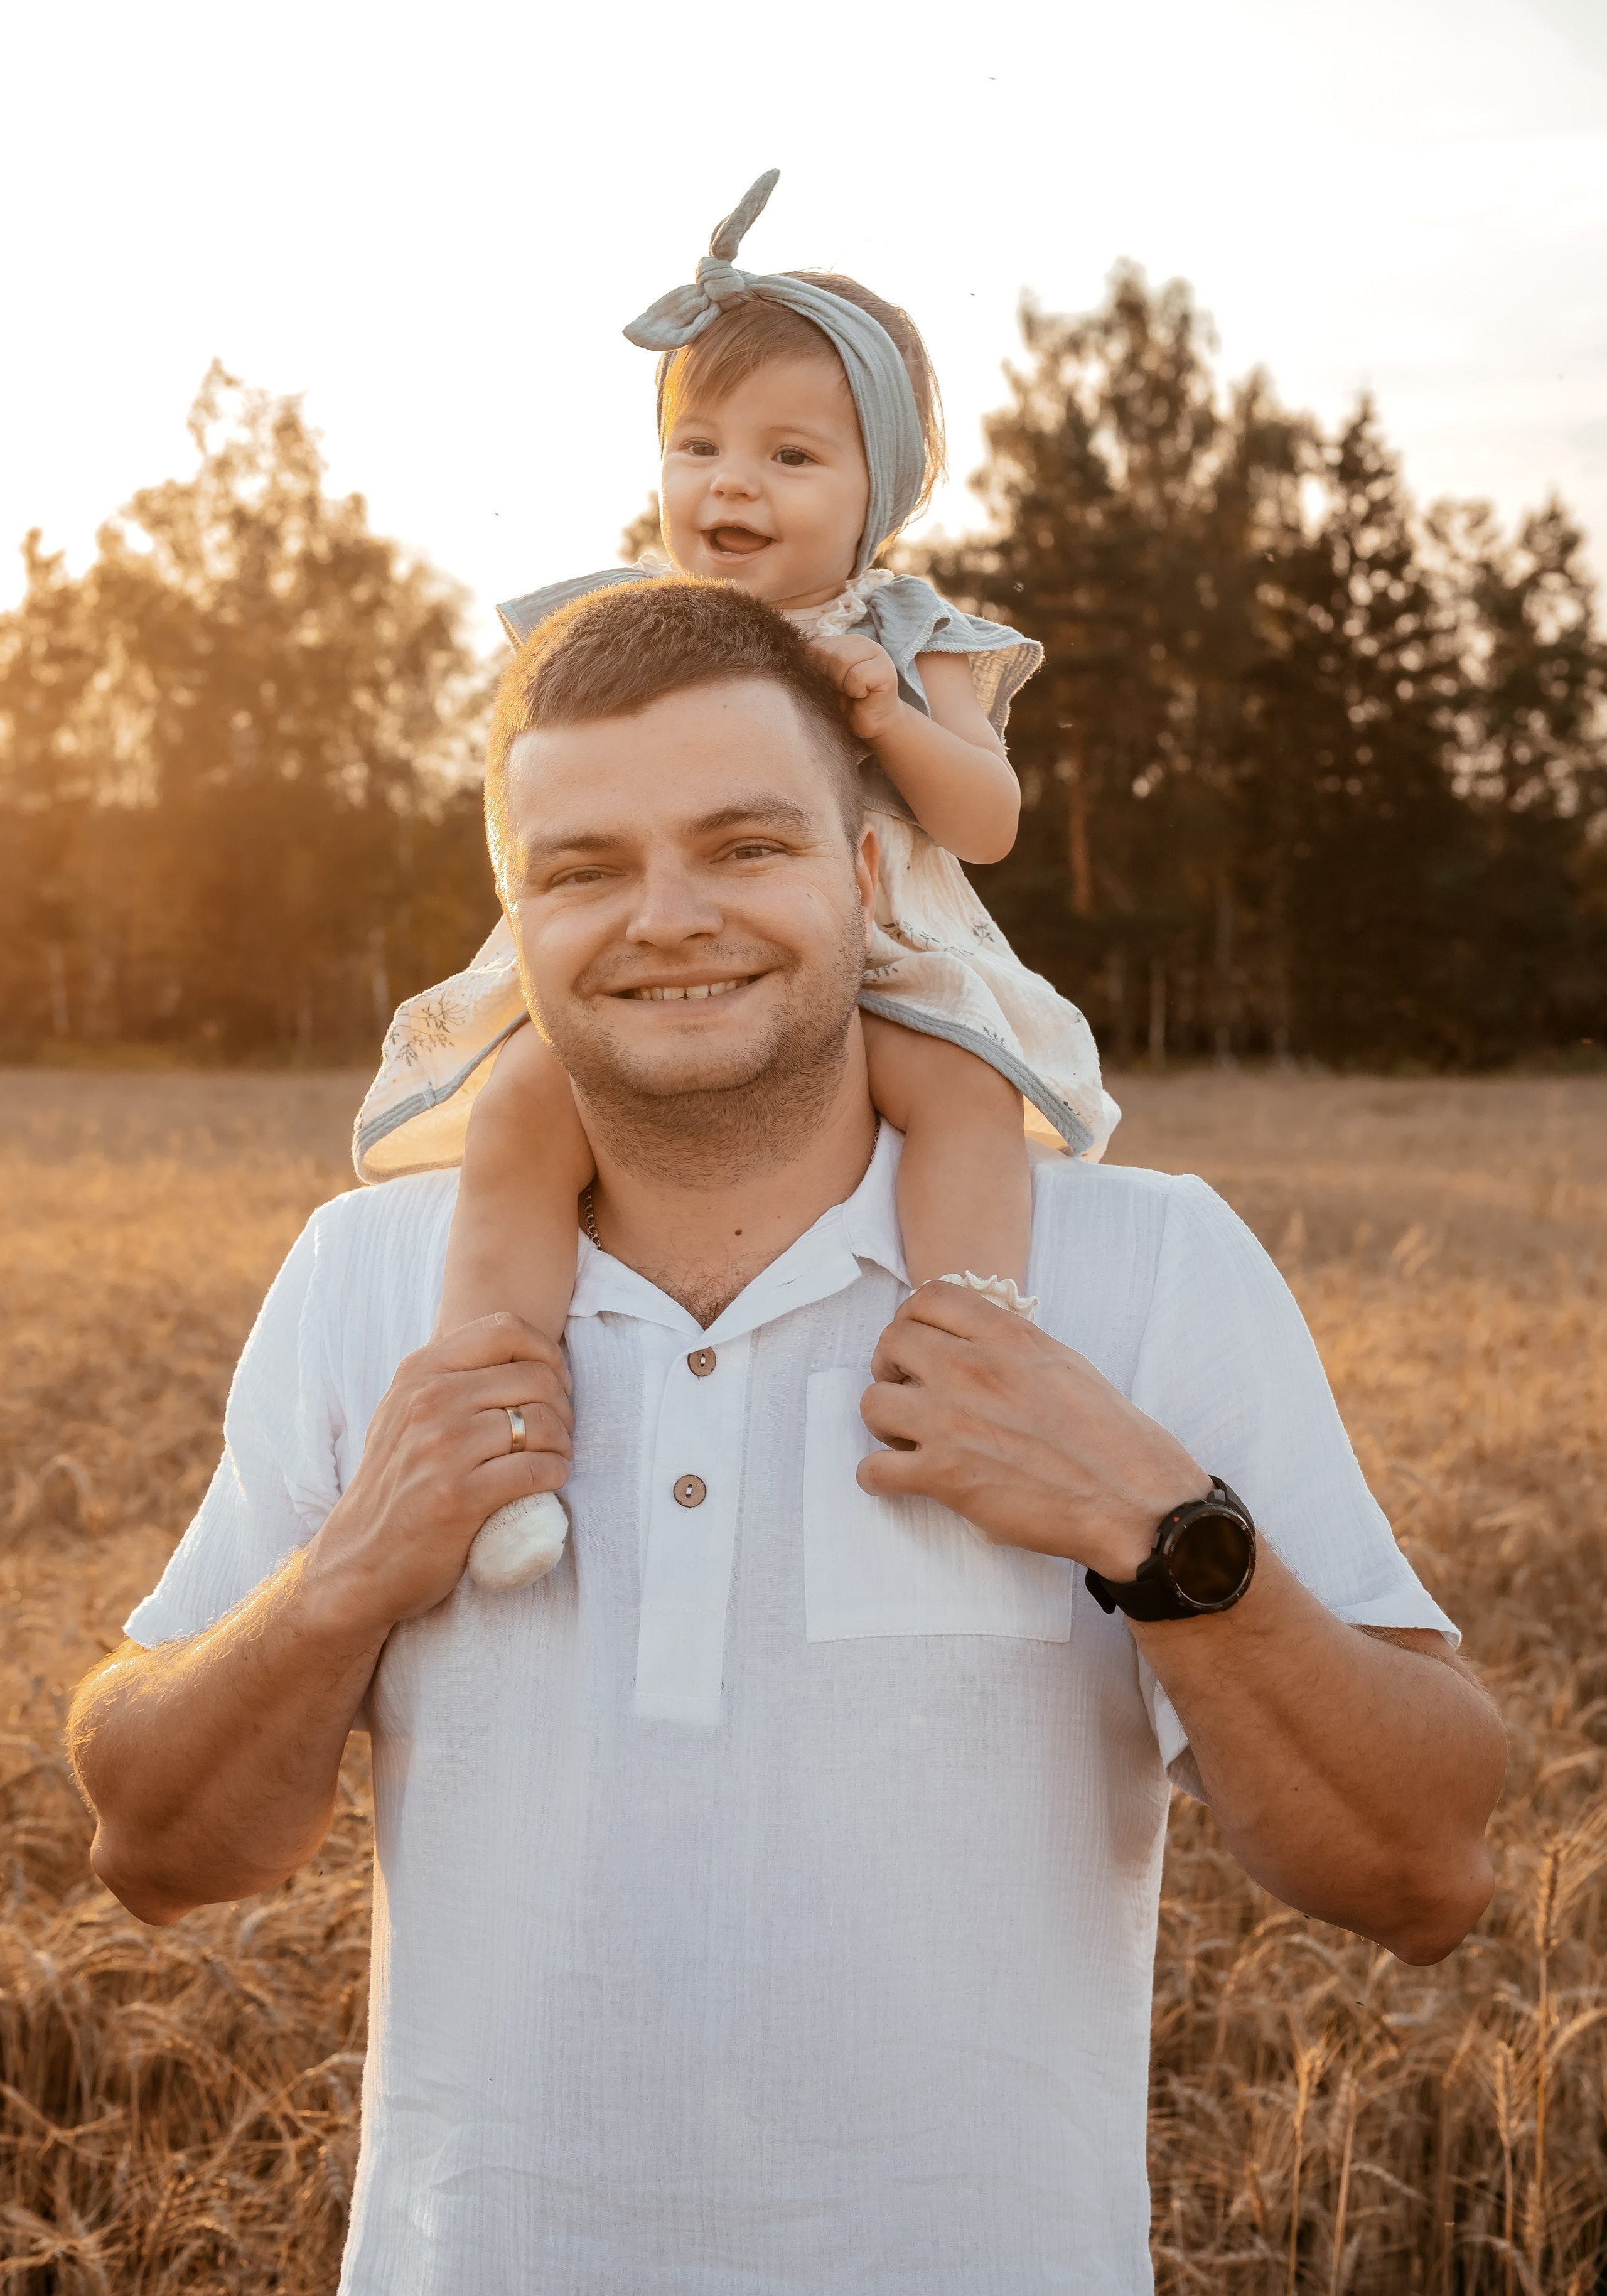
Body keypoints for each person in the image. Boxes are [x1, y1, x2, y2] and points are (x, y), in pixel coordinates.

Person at [70, 576, 1503, 2296]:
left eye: (743, 845)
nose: (665, 918)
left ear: (872, 872)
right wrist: (338, 1587)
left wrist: (1164, 1528)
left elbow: (1427, 1867)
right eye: (583, 870)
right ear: (515, 923)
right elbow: (151, 1846)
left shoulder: (1148, 1265)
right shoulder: (374, 1278)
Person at [351, 170, 1120, 1592]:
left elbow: (991, 814)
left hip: (877, 947)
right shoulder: (625, 626)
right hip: (672, 956)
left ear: (873, 489)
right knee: (528, 1110)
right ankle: (496, 1416)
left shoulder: (910, 628)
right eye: (697, 448)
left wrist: (882, 709)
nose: (730, 487)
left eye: (787, 458)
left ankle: (967, 1357)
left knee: (957, 1091)